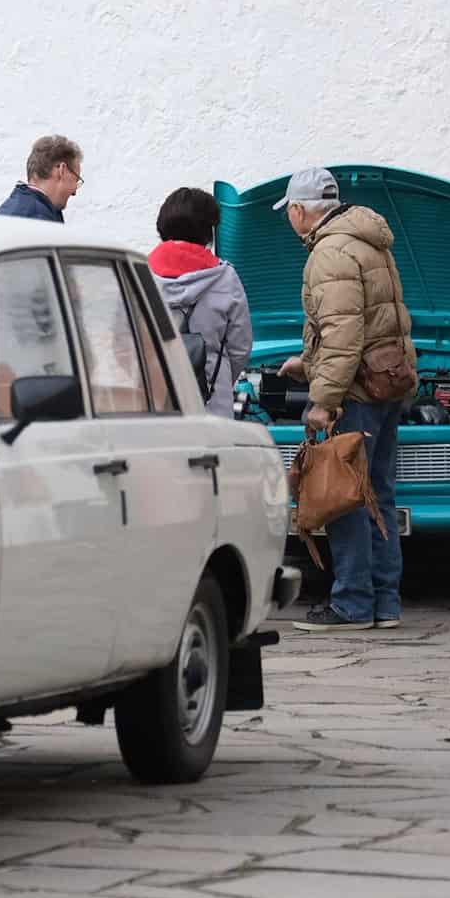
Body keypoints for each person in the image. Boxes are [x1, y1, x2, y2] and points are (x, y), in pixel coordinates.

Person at [272, 168, 417, 633]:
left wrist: (323, 398)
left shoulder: (329, 252)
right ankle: (385, 602)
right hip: (387, 383)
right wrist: (307, 359)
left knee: (345, 495)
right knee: (380, 493)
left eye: (290, 211)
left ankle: (353, 603)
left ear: (299, 210)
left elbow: (343, 333)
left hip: (355, 391)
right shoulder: (368, 239)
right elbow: (362, 324)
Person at [148, 187, 253, 417]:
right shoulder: (225, 277)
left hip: (153, 402)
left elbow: (120, 340)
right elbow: (240, 347)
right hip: (212, 405)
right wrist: (218, 377)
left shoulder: (139, 273)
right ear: (208, 230)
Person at [0, 136, 83, 222]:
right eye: (75, 180)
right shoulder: (39, 221)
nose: (74, 192)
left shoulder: (16, 208)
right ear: (62, 170)